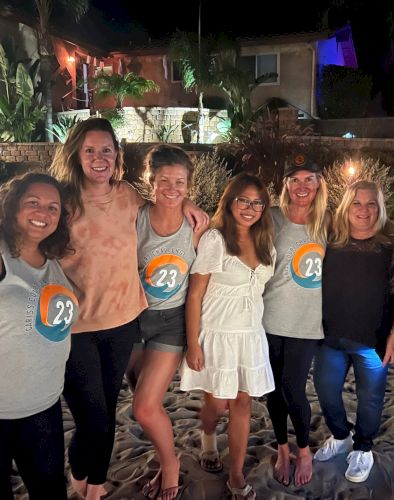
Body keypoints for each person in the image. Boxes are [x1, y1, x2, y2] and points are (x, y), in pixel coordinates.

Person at [49, 118, 208, 500]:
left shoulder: (127, 197)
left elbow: (163, 200)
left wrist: (186, 200)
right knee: (92, 415)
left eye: (107, 150)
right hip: (76, 325)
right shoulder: (62, 199)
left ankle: (97, 485)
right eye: (90, 150)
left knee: (106, 411)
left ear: (117, 156)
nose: (99, 158)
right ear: (76, 154)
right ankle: (81, 473)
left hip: (124, 323)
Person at [180, 173, 276, 500]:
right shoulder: (215, 240)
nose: (250, 208)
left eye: (257, 202)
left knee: (243, 401)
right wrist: (193, 343)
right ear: (230, 201)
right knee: (217, 403)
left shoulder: (265, 243)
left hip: (250, 335)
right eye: (244, 200)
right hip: (217, 334)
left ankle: (236, 474)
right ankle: (208, 438)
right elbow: (195, 295)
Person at [313, 180, 394, 483]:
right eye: (357, 203)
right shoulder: (330, 239)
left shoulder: (392, 245)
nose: (364, 210)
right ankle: (341, 435)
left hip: (374, 340)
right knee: (326, 392)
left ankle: (363, 447)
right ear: (346, 206)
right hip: (331, 337)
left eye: (371, 204)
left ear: (380, 208)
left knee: (370, 398)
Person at [132, 145, 206, 500]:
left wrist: (196, 340)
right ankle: (165, 458)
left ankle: (172, 466)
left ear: (189, 186)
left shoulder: (197, 225)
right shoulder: (136, 216)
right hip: (131, 319)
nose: (172, 188)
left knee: (145, 407)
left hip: (170, 322)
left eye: (180, 182)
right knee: (148, 403)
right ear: (150, 182)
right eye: (164, 180)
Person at [0, 172, 79, 500]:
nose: (42, 213)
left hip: (44, 407)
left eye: (52, 207)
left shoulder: (53, 261)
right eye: (33, 203)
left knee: (49, 493)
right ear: (13, 206)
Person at [262, 154, 329, 487]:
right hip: (269, 318)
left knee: (293, 387)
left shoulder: (331, 222)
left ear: (319, 184)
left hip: (307, 323)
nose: (302, 186)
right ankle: (283, 447)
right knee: (273, 390)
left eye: (309, 179)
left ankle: (304, 449)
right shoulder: (271, 218)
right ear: (285, 184)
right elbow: (230, 223)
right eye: (295, 179)